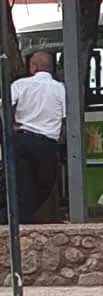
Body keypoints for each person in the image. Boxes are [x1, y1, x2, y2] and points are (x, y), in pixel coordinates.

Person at [12, 51, 65, 223]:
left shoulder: (20, 85)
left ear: (33, 67)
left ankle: (18, 222)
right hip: (46, 144)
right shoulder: (60, 88)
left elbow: (3, 105)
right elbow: (64, 117)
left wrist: (11, 124)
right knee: (45, 187)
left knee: (22, 186)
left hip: (22, 140)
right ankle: (24, 220)